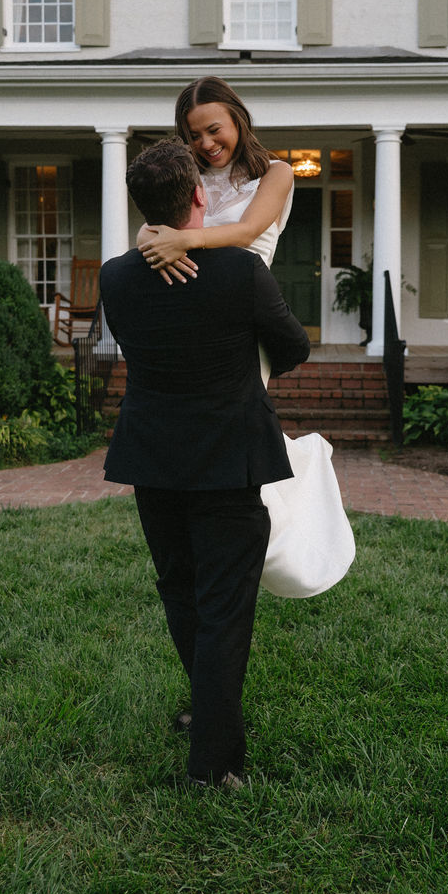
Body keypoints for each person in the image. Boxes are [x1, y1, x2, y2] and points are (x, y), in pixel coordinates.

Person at [100, 139, 310, 789]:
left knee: (182, 593)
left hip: (153, 458)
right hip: (226, 458)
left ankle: (208, 712)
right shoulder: (241, 273)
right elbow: (293, 348)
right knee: (223, 607)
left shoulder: (114, 276)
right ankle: (214, 764)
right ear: (198, 197)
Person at [138, 77, 356, 599]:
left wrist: (183, 238)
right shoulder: (188, 178)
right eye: (193, 135)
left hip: (242, 321)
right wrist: (150, 236)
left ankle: (279, 542)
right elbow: (153, 228)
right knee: (200, 428)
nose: (206, 143)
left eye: (214, 129)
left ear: (238, 119)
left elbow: (245, 231)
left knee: (236, 429)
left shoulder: (276, 174)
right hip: (191, 319)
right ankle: (204, 531)